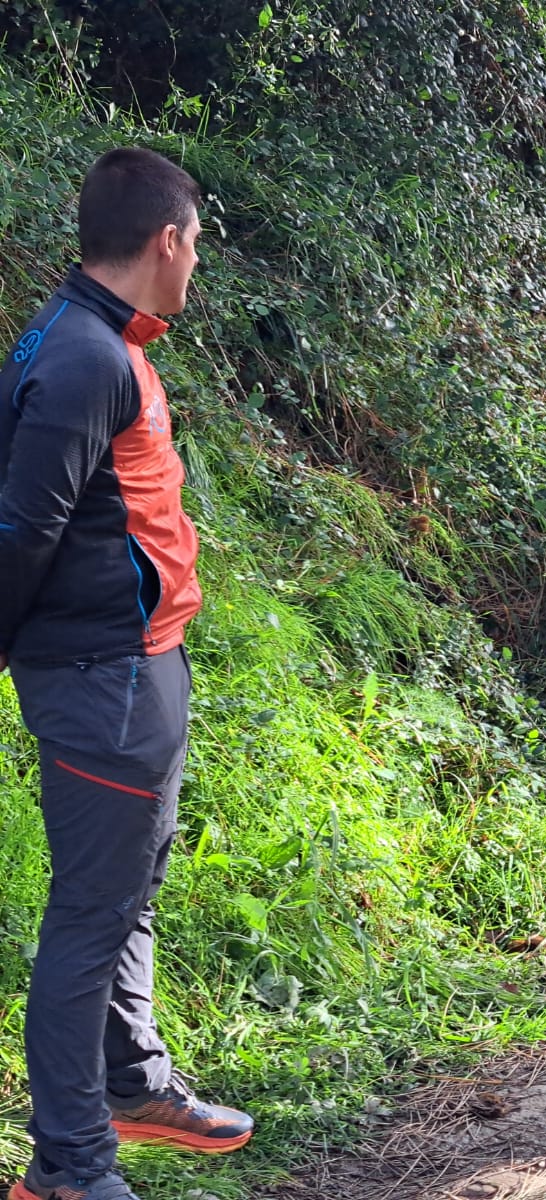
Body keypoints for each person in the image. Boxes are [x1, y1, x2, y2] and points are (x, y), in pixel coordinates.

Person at [0, 148, 253, 1200]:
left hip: (138, 663)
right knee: (91, 916)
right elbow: (20, 532)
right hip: (99, 676)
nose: (198, 261)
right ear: (166, 240)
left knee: (130, 892)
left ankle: (131, 1084)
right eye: (196, 242)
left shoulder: (95, 342)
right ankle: (68, 1166)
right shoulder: (83, 361)